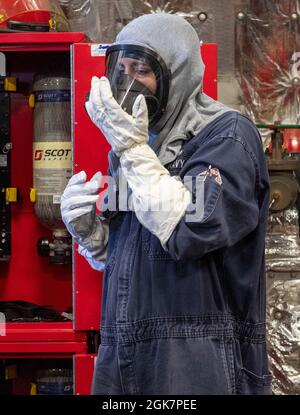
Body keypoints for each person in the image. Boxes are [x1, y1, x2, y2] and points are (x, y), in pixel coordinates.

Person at [61, 13, 271, 395]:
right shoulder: (140, 143)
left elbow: (192, 229)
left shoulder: (228, 136)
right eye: (120, 69)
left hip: (200, 358)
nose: (127, 82)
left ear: (178, 73)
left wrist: (132, 149)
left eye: (141, 69)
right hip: (123, 350)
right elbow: (134, 249)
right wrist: (93, 233)